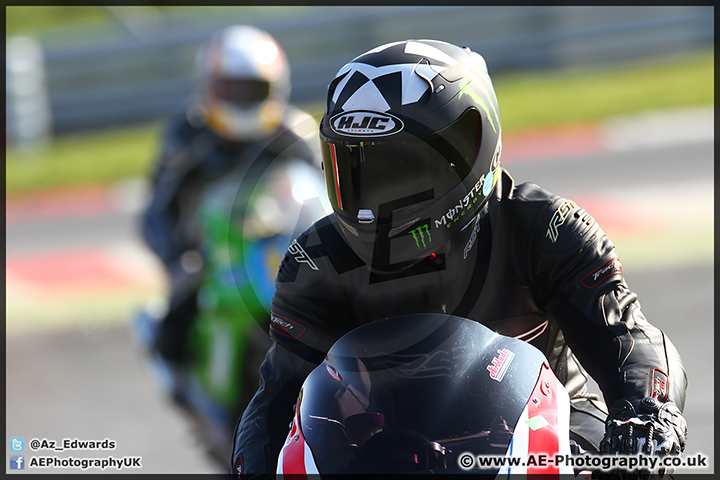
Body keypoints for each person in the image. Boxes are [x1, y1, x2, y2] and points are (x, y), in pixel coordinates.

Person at [231, 39, 688, 476]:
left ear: (469, 146)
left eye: (394, 171)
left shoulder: (547, 228)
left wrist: (650, 413)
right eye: (355, 171)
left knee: (636, 468)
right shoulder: (317, 262)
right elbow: (277, 396)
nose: (371, 201)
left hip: (553, 434)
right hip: (385, 447)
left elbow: (627, 334)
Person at [140, 25, 320, 366]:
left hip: (274, 247)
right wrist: (179, 259)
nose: (240, 99)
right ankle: (185, 376)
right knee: (171, 339)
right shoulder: (187, 135)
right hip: (207, 253)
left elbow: (327, 197)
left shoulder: (294, 133)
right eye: (230, 89)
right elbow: (155, 212)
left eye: (251, 89)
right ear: (208, 85)